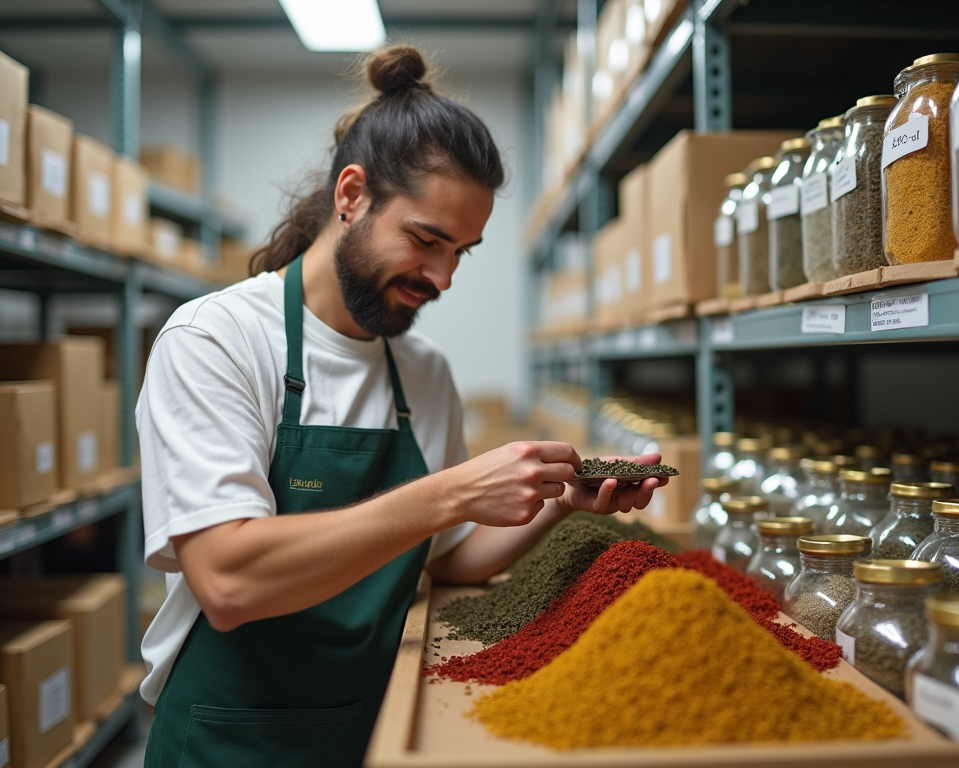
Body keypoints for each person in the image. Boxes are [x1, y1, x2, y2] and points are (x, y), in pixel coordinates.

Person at [138, 46, 666, 768]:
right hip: (233, 737)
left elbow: (447, 562)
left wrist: (562, 503)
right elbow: (228, 580)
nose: (443, 277)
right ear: (351, 196)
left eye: (463, 253)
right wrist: (451, 492)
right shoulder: (217, 341)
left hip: (376, 728)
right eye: (426, 240)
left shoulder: (421, 371)